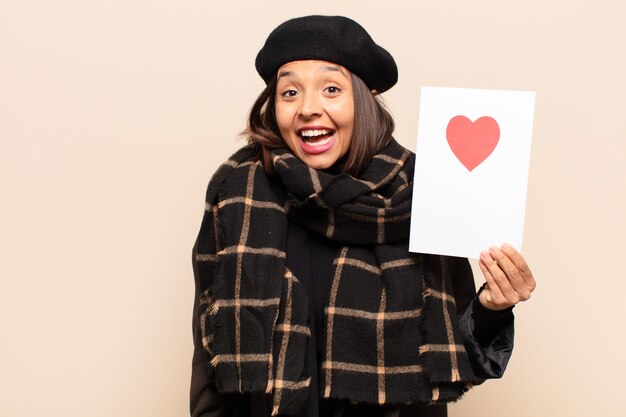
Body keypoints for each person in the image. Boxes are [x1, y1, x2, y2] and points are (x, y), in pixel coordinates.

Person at [190, 15, 536, 417]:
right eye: (289, 93)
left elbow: (454, 356)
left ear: (366, 97)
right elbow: (209, 352)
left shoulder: (423, 192)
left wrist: (491, 307)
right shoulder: (238, 195)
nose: (307, 108)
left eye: (331, 89)